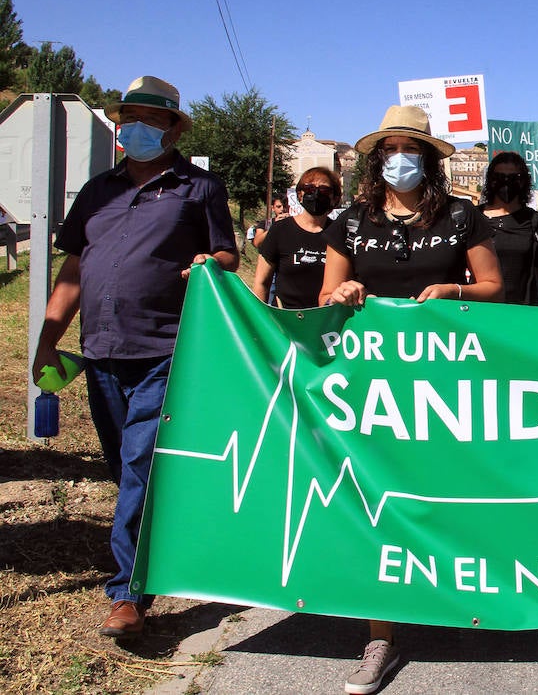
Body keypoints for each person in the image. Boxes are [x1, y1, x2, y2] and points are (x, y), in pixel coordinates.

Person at [31, 76, 238, 639]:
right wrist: (49, 339)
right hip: (101, 352)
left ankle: (127, 594)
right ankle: (163, 551)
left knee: (140, 467)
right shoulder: (97, 190)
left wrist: (211, 261)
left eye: (149, 118)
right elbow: (74, 268)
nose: (135, 127)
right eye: (128, 117)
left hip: (165, 350)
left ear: (172, 128)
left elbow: (227, 254)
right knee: (123, 466)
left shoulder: (199, 188)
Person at [319, 104, 504, 694]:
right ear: (377, 159)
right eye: (391, 149)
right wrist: (344, 291)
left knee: (447, 494)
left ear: (428, 158)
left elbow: (496, 288)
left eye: (412, 149)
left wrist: (455, 289)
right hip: (371, 385)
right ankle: (380, 635)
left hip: (448, 383)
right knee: (377, 498)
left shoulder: (461, 216)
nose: (401, 158)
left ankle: (460, 600)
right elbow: (327, 292)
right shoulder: (350, 221)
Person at [251, 168, 341, 308]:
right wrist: (259, 320)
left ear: (334, 198)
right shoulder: (280, 230)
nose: (316, 194)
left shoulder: (339, 233)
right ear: (300, 195)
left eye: (324, 190)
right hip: (284, 320)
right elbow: (261, 282)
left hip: (327, 322)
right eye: (309, 189)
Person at [480, 152, 538, 306]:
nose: (506, 182)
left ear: (523, 182)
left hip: (524, 311)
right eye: (499, 177)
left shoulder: (535, 221)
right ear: (490, 181)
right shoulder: (474, 217)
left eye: (514, 178)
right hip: (480, 311)